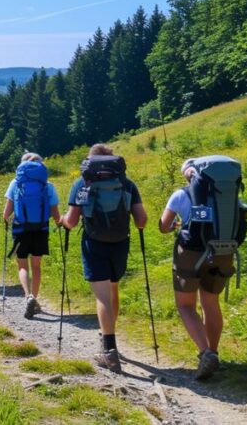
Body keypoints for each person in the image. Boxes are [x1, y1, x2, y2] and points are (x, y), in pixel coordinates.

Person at [61, 144, 147, 373]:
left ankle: (109, 349)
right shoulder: (127, 184)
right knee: (113, 289)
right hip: (120, 243)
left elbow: (71, 221)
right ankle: (110, 334)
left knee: (101, 295)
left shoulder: (82, 183)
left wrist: (61, 220)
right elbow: (141, 220)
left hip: (94, 243)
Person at [158, 158, 244, 381]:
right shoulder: (230, 197)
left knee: (186, 305)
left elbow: (163, 227)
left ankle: (206, 354)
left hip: (191, 254)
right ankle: (213, 352)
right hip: (223, 252)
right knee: (211, 303)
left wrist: (177, 225)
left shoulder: (181, 195)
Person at [2, 153, 61, 319]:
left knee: (22, 265)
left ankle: (27, 296)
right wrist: (59, 223)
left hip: (21, 229)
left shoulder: (16, 183)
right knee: (36, 265)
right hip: (41, 229)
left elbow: (6, 213)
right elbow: (55, 213)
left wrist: (6, 219)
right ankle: (34, 298)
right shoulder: (47, 185)